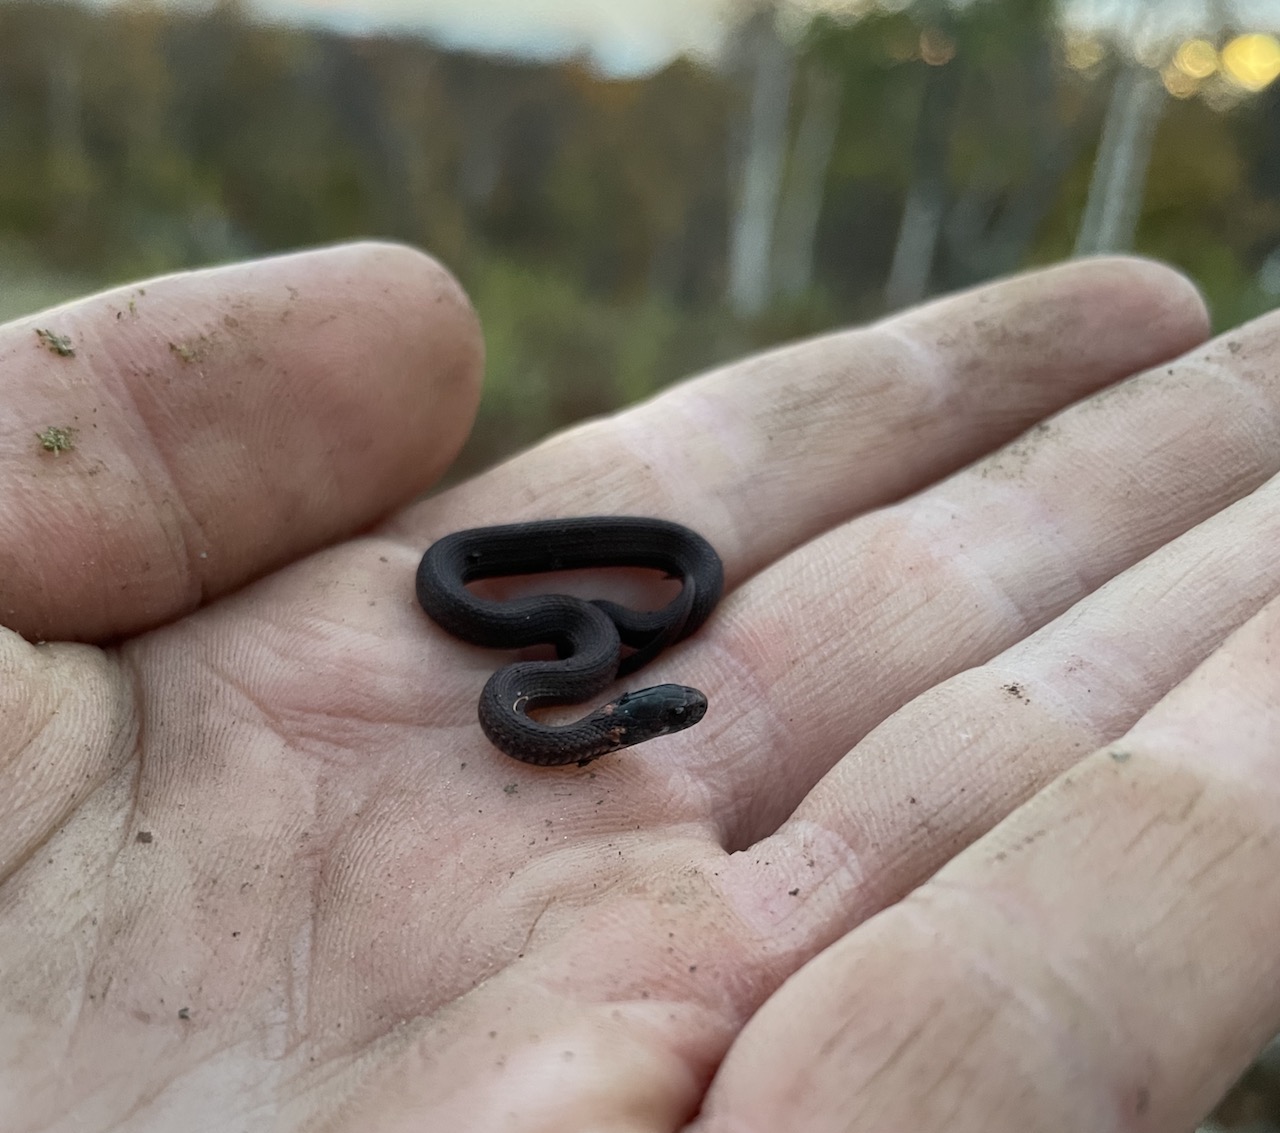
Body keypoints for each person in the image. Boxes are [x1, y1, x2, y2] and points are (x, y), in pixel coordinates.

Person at [2, 242, 1274, 1132]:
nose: (676, 707)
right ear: (626, 715)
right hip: (567, 639)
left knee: (635, 602)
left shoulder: (571, 680)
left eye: (662, 705)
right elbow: (521, 652)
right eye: (667, 709)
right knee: (598, 606)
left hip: (585, 639)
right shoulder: (555, 690)